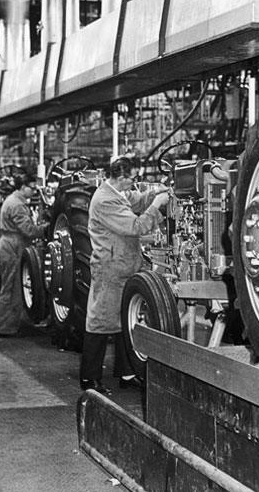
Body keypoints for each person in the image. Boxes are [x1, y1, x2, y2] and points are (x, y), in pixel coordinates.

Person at [80, 155, 169, 394]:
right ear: (120, 177)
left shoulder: (117, 193)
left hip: (125, 264)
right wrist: (157, 205)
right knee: (100, 322)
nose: (134, 182)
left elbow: (135, 199)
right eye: (132, 178)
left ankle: (127, 373)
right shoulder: (104, 200)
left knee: (124, 320)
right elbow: (135, 227)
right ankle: (90, 379)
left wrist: (160, 191)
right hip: (110, 268)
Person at [0, 172, 48, 337]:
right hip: (12, 246)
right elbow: (29, 230)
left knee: (13, 287)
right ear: (23, 187)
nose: (33, 191)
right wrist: (47, 227)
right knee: (10, 289)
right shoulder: (17, 205)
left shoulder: (14, 200)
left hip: (10, 244)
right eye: (31, 188)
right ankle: (5, 328)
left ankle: (9, 325)